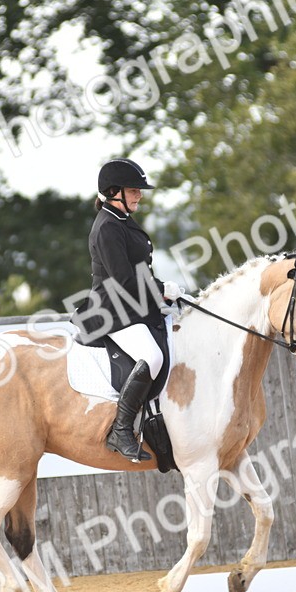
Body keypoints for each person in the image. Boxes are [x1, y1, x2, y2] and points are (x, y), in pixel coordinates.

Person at [73, 158, 183, 462]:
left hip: (132, 305)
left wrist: (163, 297)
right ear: (113, 191)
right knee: (153, 356)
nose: (140, 195)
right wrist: (160, 289)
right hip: (111, 311)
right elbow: (122, 279)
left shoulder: (120, 219)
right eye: (134, 190)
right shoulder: (107, 226)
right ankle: (121, 430)